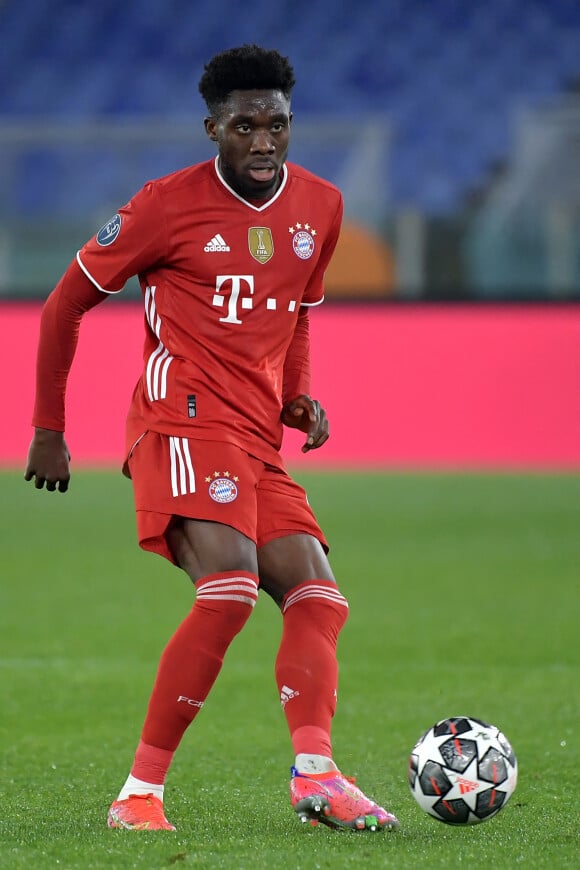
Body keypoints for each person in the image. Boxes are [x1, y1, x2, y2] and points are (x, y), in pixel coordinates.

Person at [25, 44, 399, 834]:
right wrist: (48, 429)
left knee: (319, 598)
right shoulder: (164, 206)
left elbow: (297, 313)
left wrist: (297, 395)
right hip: (179, 420)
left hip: (256, 435)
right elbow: (64, 304)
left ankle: (317, 776)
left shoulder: (322, 209)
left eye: (277, 125)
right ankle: (138, 795)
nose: (263, 142)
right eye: (245, 126)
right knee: (228, 590)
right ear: (213, 129)